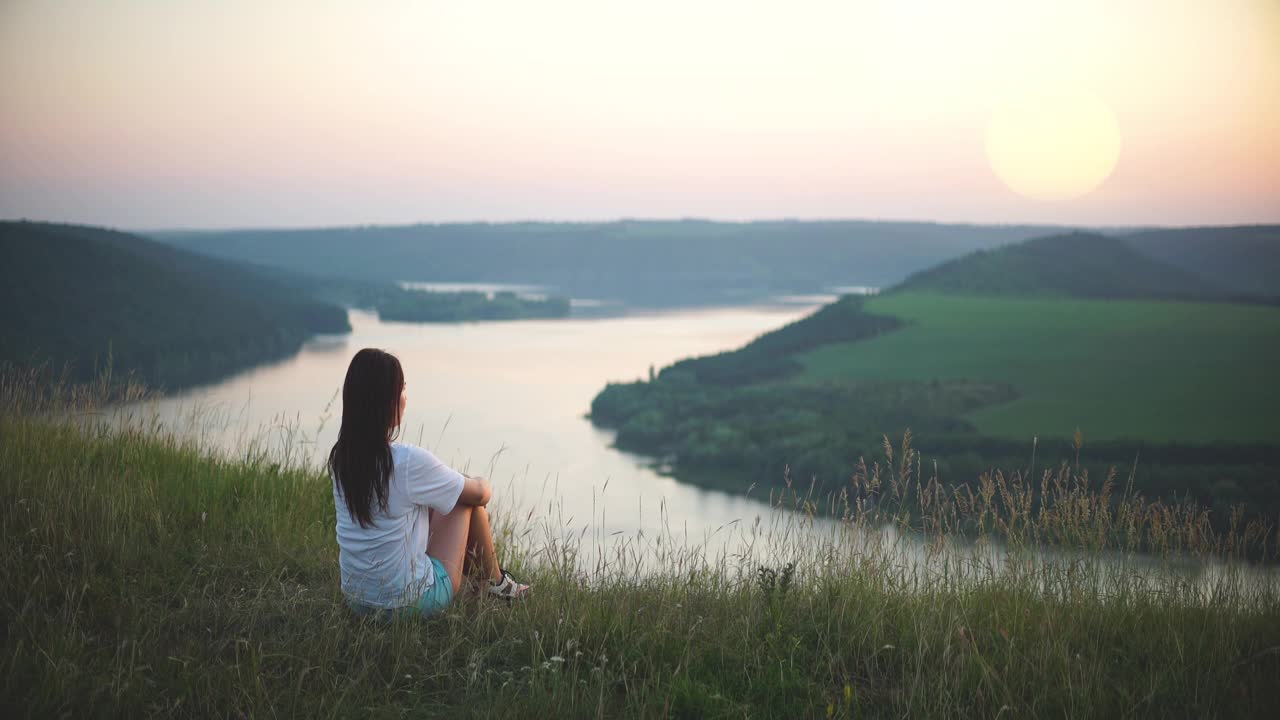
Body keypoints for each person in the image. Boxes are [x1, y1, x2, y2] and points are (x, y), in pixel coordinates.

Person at [328, 348, 529, 617]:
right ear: (386, 402)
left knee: (446, 497)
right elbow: (480, 495)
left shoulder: (342, 458)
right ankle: (497, 585)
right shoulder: (406, 461)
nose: (404, 399)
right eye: (401, 391)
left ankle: (492, 585)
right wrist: (475, 480)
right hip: (409, 604)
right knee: (465, 500)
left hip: (357, 600)